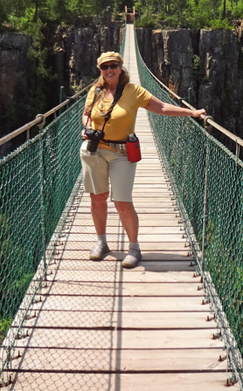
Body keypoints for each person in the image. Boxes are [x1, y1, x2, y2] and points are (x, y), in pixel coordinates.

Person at [80, 51, 206, 269]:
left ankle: (134, 248)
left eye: (113, 66)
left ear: (120, 68)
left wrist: (191, 113)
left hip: (122, 153)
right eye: (104, 67)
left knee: (122, 203)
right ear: (100, 70)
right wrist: (88, 126)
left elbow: (163, 108)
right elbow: (86, 114)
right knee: (97, 198)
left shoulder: (133, 91)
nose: (109, 70)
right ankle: (101, 243)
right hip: (94, 151)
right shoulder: (95, 90)